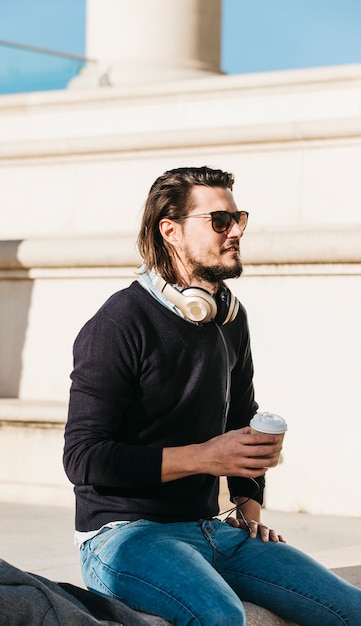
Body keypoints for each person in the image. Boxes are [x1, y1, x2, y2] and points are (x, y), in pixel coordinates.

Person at [63, 166, 361, 626]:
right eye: (220, 221)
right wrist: (204, 457)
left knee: (351, 610)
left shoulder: (227, 318)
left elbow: (242, 419)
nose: (236, 231)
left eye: (238, 218)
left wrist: (248, 507)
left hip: (212, 531)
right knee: (220, 617)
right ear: (171, 231)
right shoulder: (118, 323)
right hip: (123, 538)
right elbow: (83, 459)